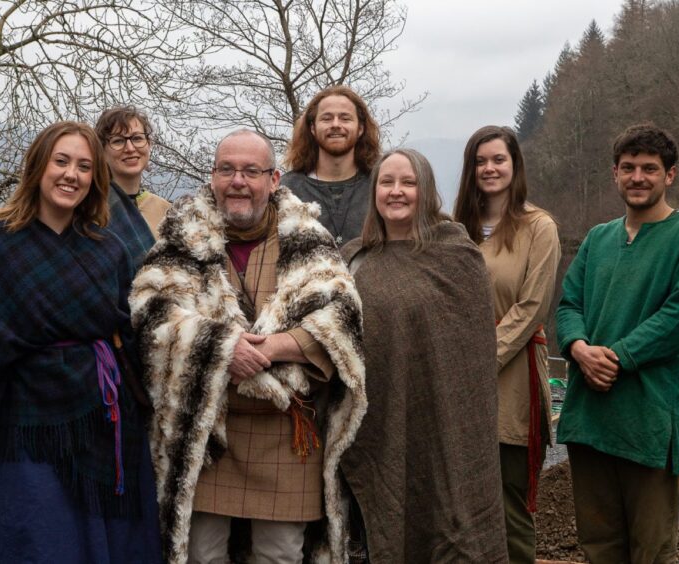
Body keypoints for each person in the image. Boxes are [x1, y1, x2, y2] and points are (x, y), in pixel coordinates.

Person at [0, 122, 161, 563]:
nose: (71, 175)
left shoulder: (108, 248)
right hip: (26, 429)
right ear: (38, 166)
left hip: (107, 427)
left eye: (84, 166)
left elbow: (131, 337)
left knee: (115, 547)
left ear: (96, 177)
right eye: (61, 161)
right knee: (40, 543)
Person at [130, 129, 367, 563]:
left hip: (287, 432)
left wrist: (277, 346)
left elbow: (341, 318)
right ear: (212, 176)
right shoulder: (182, 240)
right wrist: (221, 349)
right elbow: (152, 312)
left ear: (274, 180)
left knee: (279, 557)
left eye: (251, 171)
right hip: (207, 434)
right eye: (227, 169)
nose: (238, 180)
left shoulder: (310, 242)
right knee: (201, 556)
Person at [556, 123, 679, 563]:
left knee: (651, 550)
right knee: (599, 547)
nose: (638, 177)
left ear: (670, 175)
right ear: (614, 173)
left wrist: (618, 357)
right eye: (628, 167)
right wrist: (577, 347)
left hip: (647, 419)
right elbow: (569, 303)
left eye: (650, 168)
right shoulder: (597, 238)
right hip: (588, 419)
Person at [340, 148, 508, 563]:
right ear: (374, 190)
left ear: (426, 191)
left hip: (445, 424)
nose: (396, 192)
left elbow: (470, 359)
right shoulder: (352, 258)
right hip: (375, 423)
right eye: (387, 182)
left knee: (448, 523)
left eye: (408, 183)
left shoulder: (456, 254)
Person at [453, 126, 561, 563]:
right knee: (460, 501)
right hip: (456, 374)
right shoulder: (455, 230)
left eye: (498, 159)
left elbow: (531, 307)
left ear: (514, 166)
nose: (489, 168)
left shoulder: (539, 227)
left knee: (508, 503)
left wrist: (479, 361)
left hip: (510, 373)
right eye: (480, 161)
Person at [281, 85, 381, 246]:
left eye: (345, 118)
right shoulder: (287, 190)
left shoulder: (380, 187)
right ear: (312, 128)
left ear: (361, 128)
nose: (335, 124)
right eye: (326, 118)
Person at [96, 106, 170, 265]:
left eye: (137, 138)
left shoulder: (167, 212)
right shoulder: (91, 208)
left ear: (149, 144)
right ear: (102, 150)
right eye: (118, 141)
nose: (130, 148)